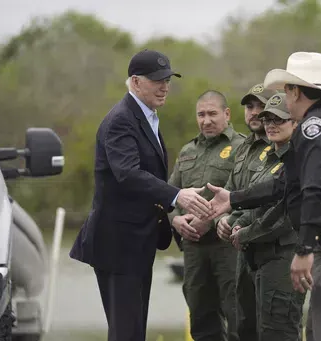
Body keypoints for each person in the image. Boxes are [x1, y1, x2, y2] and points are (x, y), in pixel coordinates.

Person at [207, 52, 321, 341]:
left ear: (295, 90)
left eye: (285, 90)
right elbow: (285, 183)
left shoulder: (314, 127)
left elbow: (316, 189)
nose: (283, 97)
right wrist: (234, 199)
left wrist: (304, 250)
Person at [69, 49, 212, 341]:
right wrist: (177, 196)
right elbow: (128, 174)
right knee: (127, 333)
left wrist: (170, 217)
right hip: (117, 245)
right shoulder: (121, 119)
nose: (165, 86)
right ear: (135, 82)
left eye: (168, 79)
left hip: (136, 243)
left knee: (132, 331)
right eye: (157, 80)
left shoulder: (146, 117)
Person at [167, 90, 246, 341]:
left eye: (212, 114)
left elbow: (245, 195)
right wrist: (175, 220)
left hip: (228, 246)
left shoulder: (242, 147)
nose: (206, 120)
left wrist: (208, 221)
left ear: (227, 114)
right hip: (194, 250)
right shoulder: (187, 150)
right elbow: (171, 195)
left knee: (237, 317)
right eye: (201, 115)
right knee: (200, 318)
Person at [229, 92, 306, 341]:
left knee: (278, 332)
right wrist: (237, 223)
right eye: (267, 119)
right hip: (256, 258)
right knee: (248, 330)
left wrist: (246, 233)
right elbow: (255, 204)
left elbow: (285, 215)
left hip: (283, 257)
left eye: (279, 119)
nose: (271, 125)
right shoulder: (267, 158)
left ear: (295, 123)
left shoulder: (300, 160)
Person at [215, 83, 277, 341]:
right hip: (243, 251)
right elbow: (230, 192)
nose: (253, 113)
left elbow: (269, 199)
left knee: (275, 329)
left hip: (273, 248)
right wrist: (221, 220)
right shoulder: (244, 147)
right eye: (249, 107)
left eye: (260, 107)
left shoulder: (280, 146)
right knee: (242, 327)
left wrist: (236, 220)